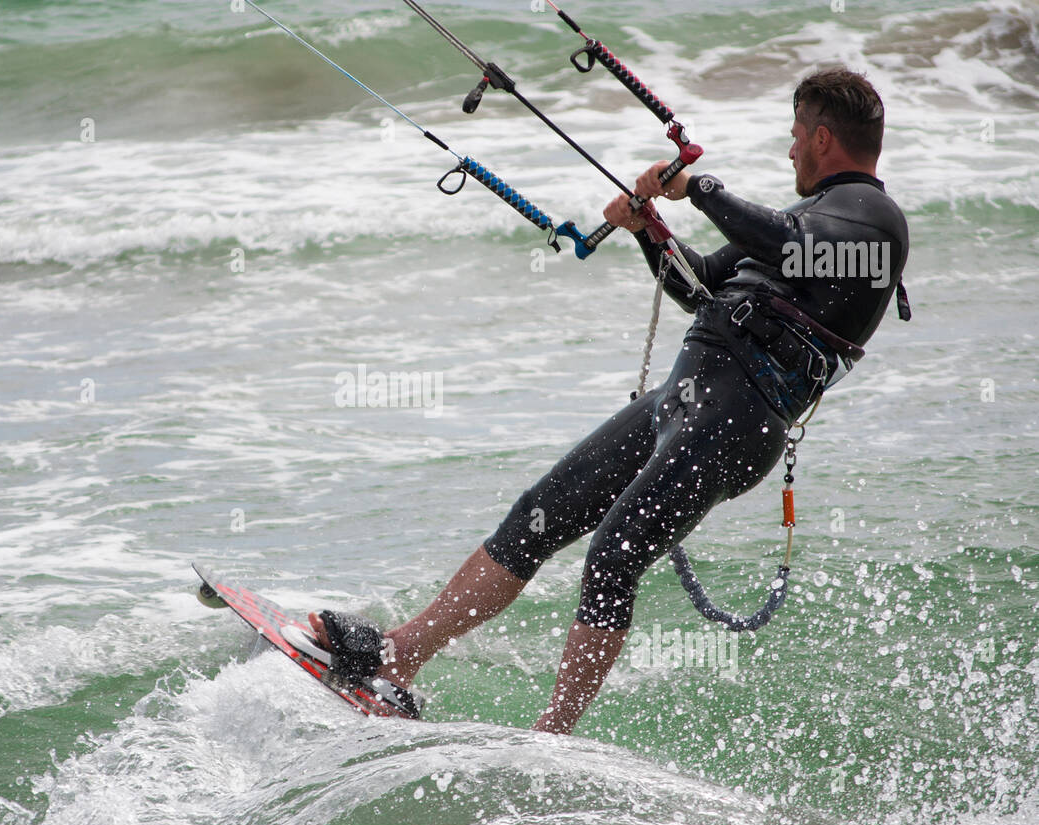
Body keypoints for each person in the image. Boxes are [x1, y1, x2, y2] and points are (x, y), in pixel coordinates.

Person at [302, 66, 911, 733]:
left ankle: (551, 737)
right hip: (684, 401)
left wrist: (697, 187)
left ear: (824, 139)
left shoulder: (873, 224)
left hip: (735, 422)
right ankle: (399, 659)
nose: (790, 149)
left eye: (796, 135)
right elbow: (700, 284)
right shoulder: (808, 218)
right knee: (538, 514)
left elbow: (794, 251)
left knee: (614, 553)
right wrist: (649, 228)